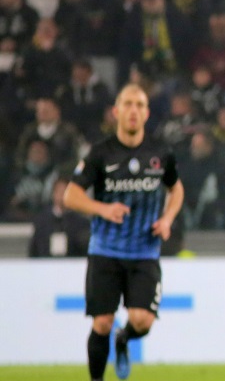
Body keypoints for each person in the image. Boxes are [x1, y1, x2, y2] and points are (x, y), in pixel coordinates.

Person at [63, 85, 184, 381]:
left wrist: (167, 218)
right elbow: (70, 196)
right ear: (116, 111)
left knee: (141, 322)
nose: (133, 110)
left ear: (146, 113)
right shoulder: (100, 153)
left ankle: (124, 339)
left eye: (139, 105)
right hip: (105, 250)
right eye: (128, 104)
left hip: (144, 252)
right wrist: (103, 209)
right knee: (102, 322)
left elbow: (176, 188)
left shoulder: (160, 153)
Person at [29, 176, 91, 257]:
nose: (62, 196)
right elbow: (35, 249)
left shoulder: (81, 223)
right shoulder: (42, 221)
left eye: (66, 192)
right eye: (60, 192)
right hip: (45, 266)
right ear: (53, 194)